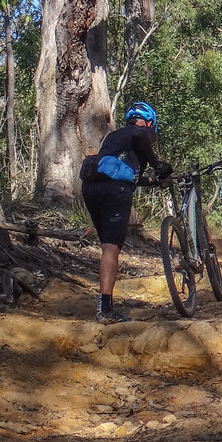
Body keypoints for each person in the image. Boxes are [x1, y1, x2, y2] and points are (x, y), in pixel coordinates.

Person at [80, 101, 171, 323]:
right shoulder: (143, 132)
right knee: (111, 250)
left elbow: (119, 167)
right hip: (115, 191)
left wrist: (150, 181)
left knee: (106, 249)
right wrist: (157, 164)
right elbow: (140, 137)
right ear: (150, 121)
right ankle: (105, 310)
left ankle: (105, 306)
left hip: (91, 188)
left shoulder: (114, 137)